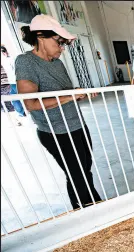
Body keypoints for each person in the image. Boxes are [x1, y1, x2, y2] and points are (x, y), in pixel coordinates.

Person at [15, 15, 101, 210]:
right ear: (40, 36)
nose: (62, 48)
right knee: (77, 174)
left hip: (77, 124)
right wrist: (71, 96)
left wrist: (78, 94)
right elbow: (31, 103)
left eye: (63, 44)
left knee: (84, 171)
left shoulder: (57, 63)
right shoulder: (26, 62)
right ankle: (94, 209)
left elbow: (65, 93)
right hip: (56, 131)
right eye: (59, 42)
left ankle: (87, 208)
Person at [1, 45, 25, 120]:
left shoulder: (6, 61)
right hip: (15, 81)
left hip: (11, 82)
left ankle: (21, 112)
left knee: (15, 99)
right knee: (19, 97)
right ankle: (24, 112)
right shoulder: (10, 59)